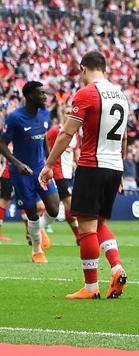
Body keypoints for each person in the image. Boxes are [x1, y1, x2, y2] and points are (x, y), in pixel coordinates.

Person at [39, 51, 129, 299]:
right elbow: (124, 138)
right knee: (100, 224)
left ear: (82, 68)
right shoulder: (121, 95)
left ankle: (91, 288)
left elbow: (66, 134)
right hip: (114, 167)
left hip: (92, 165)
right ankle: (117, 267)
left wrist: (48, 164)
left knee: (87, 228)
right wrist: (119, 170)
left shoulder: (87, 93)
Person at [0, 81, 59, 263]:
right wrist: (17, 164)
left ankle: (39, 229)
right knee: (31, 213)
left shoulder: (44, 114)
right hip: (22, 173)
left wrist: (49, 164)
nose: (44, 97)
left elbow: (44, 140)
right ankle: (37, 250)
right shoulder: (15, 118)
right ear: (30, 96)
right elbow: (2, 144)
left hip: (41, 169)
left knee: (54, 209)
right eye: (41, 93)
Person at [46, 111, 81, 240]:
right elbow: (46, 146)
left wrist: (78, 165)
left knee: (53, 204)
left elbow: (77, 153)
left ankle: (38, 229)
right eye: (66, 112)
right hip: (56, 171)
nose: (69, 115)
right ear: (62, 115)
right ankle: (79, 237)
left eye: (70, 113)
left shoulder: (76, 134)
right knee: (68, 202)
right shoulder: (55, 130)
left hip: (67, 172)